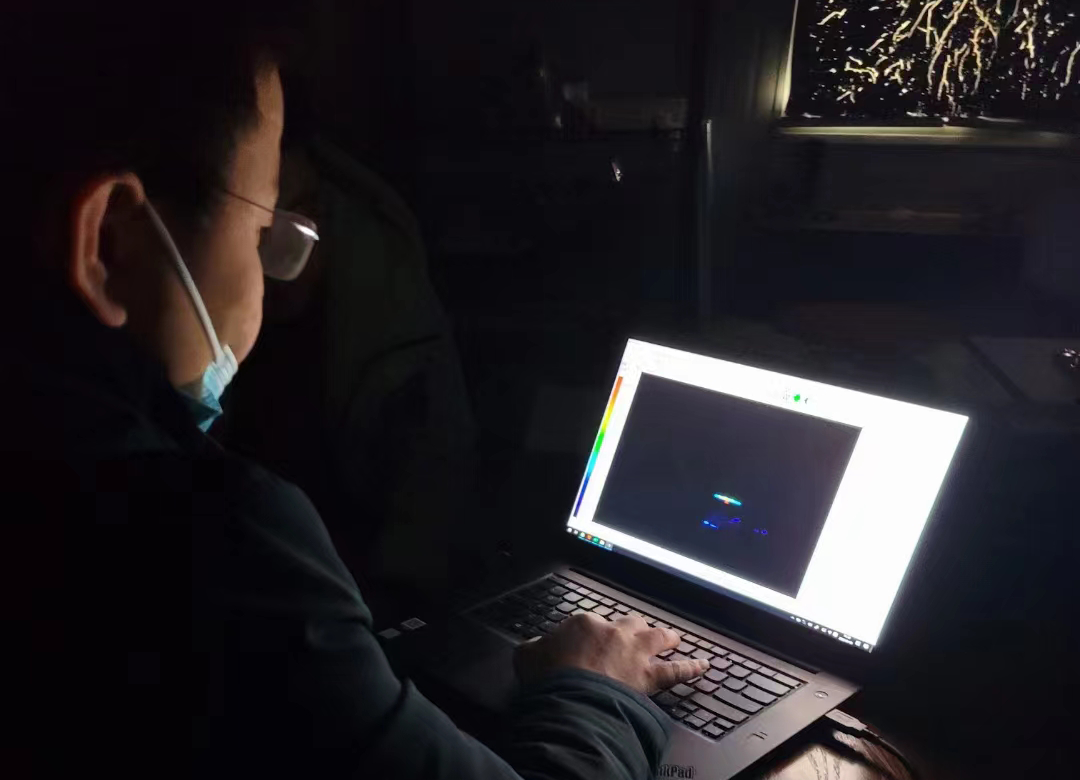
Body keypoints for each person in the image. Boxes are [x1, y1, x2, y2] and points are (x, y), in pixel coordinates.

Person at [1, 5, 708, 780]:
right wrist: (597, 689)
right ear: (111, 243)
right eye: (265, 231)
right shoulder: (214, 541)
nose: (274, 278)